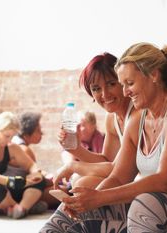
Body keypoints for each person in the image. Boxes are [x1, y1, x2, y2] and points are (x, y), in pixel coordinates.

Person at [41, 42, 167, 232]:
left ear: (154, 75)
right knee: (76, 214)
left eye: (129, 83)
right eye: (123, 85)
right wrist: (87, 200)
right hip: (157, 211)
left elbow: (165, 181)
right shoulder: (138, 121)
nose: (125, 92)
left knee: (145, 202)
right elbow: (118, 177)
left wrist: (99, 197)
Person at [55, 52, 137, 189]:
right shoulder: (112, 118)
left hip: (146, 186)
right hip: (129, 181)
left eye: (111, 84)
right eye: (96, 89)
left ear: (123, 82)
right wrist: (75, 148)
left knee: (82, 183)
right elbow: (108, 160)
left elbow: (118, 170)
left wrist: (73, 166)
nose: (105, 94)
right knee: (79, 180)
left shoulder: (136, 113)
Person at [11, 112, 58, 209]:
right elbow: (37, 178)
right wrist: (56, 181)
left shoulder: (15, 143)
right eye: (38, 130)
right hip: (19, 191)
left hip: (17, 188)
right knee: (62, 190)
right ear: (26, 134)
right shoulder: (23, 149)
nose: (42, 133)